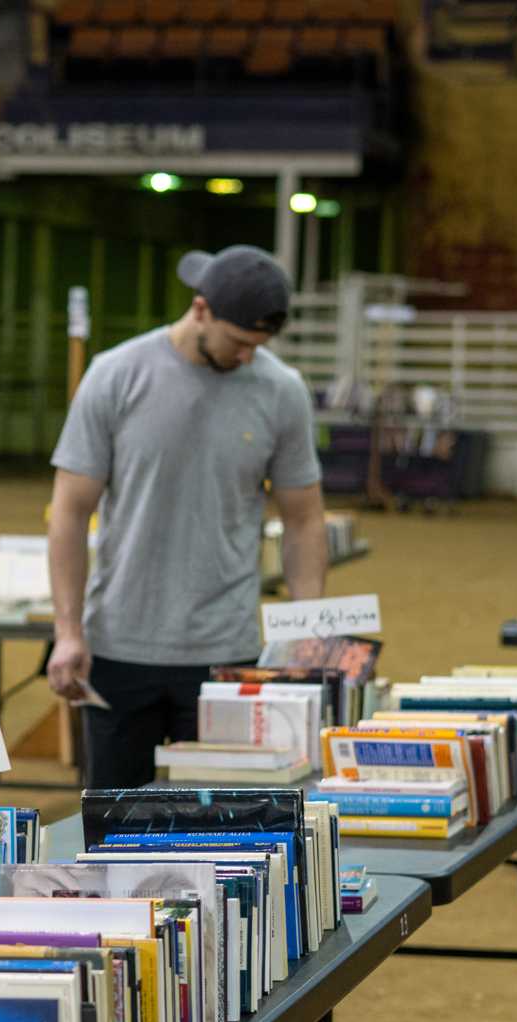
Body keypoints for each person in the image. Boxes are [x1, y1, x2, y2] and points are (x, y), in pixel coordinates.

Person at [45, 244, 329, 788]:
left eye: (260, 345)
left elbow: (304, 519)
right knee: (114, 833)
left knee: (227, 838)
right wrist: (68, 631)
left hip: (227, 655)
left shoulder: (282, 391)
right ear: (201, 309)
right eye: (239, 341)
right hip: (120, 650)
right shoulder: (115, 375)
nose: (248, 356)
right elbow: (69, 511)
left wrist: (307, 631)